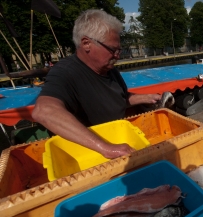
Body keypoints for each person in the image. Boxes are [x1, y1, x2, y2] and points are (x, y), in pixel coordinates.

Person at [32, 9, 161, 159]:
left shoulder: (110, 70)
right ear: (86, 43)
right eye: (113, 50)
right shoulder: (65, 72)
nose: (117, 56)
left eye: (119, 50)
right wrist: (106, 148)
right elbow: (44, 111)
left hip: (119, 142)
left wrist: (149, 97)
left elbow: (119, 98)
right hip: (88, 155)